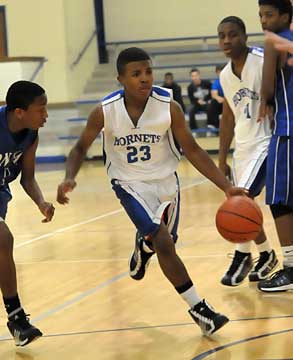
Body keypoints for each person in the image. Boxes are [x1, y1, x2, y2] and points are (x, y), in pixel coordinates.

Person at [57, 47, 247, 335]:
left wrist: (227, 187)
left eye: (148, 72)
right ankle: (200, 310)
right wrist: (69, 176)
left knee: (164, 240)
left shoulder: (169, 106)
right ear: (120, 78)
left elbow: (193, 150)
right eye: (136, 74)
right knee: (163, 242)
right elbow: (80, 147)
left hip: (166, 181)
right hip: (128, 183)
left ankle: (142, 247)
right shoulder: (104, 111)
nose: (144, 78)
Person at [217, 16, 278, 287]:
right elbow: (228, 117)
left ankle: (242, 255)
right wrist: (221, 159)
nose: (227, 41)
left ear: (244, 36)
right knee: (244, 205)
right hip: (242, 147)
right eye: (222, 36)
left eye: (233, 35)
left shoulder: (262, 60)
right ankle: (266, 254)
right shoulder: (224, 75)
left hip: (267, 140)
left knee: (242, 201)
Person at [0, 81, 55, 346]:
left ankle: (16, 319)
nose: (46, 115)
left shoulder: (30, 135)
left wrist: (41, 203)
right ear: (19, 112)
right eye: (41, 110)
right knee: (3, 238)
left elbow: (27, 178)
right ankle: (17, 317)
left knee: (2, 241)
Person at [257, 0, 293, 292]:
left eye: (269, 14)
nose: (263, 20)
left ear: (285, 16)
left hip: (287, 130)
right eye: (260, 15)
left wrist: (264, 99)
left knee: (280, 200)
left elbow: (268, 88)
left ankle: (291, 268)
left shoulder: (273, 43)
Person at [206, 65, 225, 134]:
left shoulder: (230, 81)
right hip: (222, 103)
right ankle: (213, 126)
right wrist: (219, 98)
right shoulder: (216, 82)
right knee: (213, 103)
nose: (221, 74)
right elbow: (214, 95)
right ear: (217, 73)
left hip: (231, 103)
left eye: (222, 72)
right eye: (219, 72)